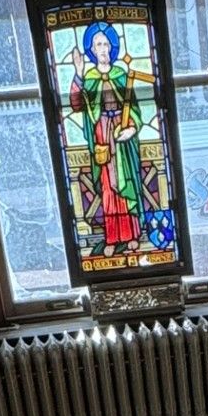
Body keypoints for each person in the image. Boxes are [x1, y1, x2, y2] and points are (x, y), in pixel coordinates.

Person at [68, 21, 145, 253]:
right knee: (108, 187)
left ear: (111, 47)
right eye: (97, 44)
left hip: (122, 135)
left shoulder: (121, 74)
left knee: (127, 182)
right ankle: (112, 238)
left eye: (105, 43)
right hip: (102, 135)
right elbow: (76, 104)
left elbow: (135, 108)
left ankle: (133, 235)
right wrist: (79, 74)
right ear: (91, 50)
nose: (102, 48)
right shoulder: (89, 76)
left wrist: (132, 129)